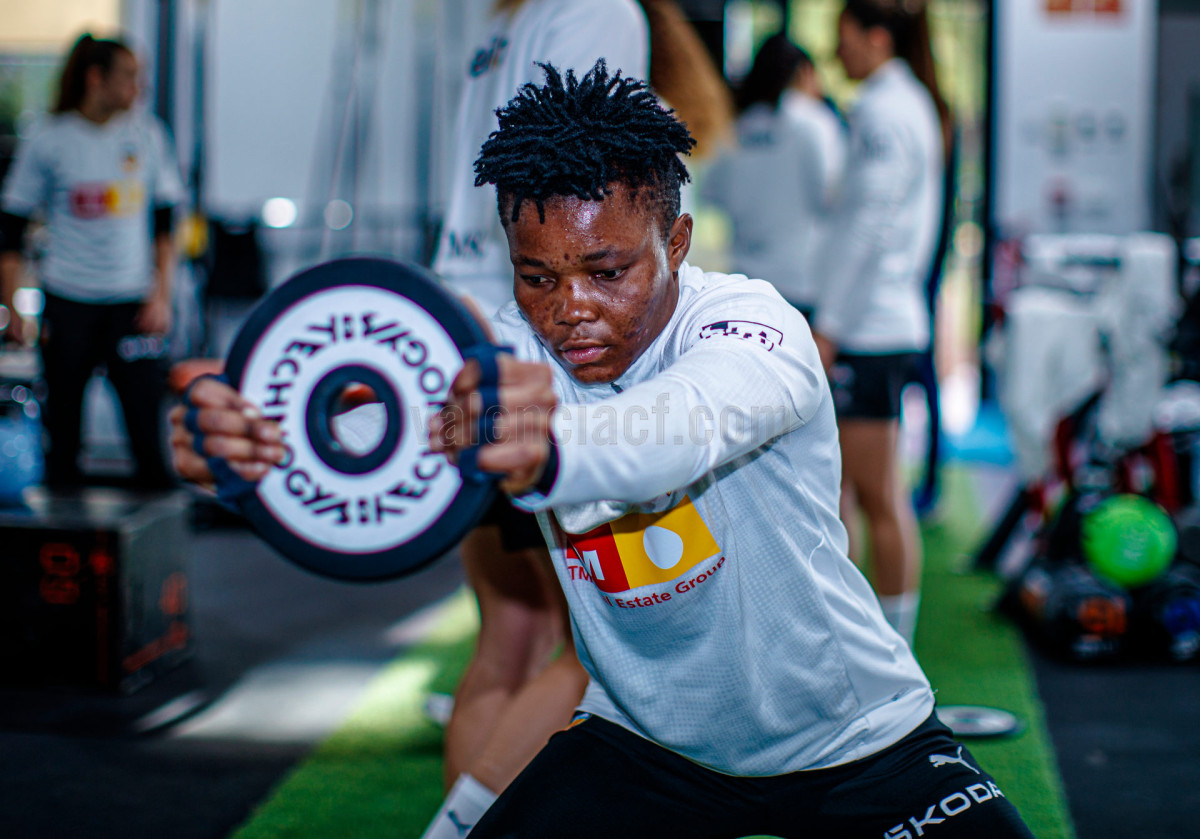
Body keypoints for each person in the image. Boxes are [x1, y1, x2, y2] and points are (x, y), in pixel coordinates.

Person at [171, 60, 1033, 839]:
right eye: (537, 276)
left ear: (677, 243)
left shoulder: (751, 324)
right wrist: (254, 455)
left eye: (608, 271)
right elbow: (382, 444)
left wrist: (545, 448)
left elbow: (684, 423)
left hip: (853, 737)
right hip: (648, 742)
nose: (570, 308)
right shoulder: (509, 356)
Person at [423, 1, 648, 834]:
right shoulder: (593, 10)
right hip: (531, 354)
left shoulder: (503, 22)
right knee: (594, 651)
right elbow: (575, 210)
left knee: (507, 633)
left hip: (462, 332)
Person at [808, 0, 953, 645]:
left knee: (874, 492)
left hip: (869, 328)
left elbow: (870, 224)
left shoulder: (886, 110)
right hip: (874, 320)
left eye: (842, 38)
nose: (836, 53)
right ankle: (858, 643)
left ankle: (893, 652)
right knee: (845, 490)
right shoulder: (903, 103)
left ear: (876, 38)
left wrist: (831, 325)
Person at [1, 33, 184, 490]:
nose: (138, 88)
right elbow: (11, 231)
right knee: (62, 445)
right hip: (69, 300)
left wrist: (162, 296)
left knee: (149, 443)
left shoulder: (147, 135)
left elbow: (166, 225)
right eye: (129, 77)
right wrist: (14, 308)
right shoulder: (50, 139)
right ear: (96, 78)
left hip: (131, 304)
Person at [702, 32, 846, 316]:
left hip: (745, 280)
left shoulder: (735, 127)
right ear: (804, 72)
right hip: (802, 281)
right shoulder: (814, 122)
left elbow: (711, 194)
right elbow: (835, 195)